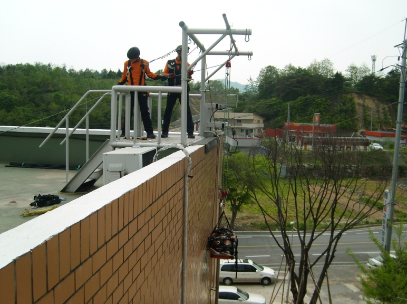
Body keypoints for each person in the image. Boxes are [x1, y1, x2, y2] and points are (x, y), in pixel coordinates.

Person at [117, 47, 166, 139]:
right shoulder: (127, 64)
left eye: (133, 58)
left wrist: (160, 77)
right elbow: (124, 77)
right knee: (128, 112)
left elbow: (150, 74)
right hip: (130, 90)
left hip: (141, 90)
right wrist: (118, 86)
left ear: (137, 56)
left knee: (145, 112)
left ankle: (150, 132)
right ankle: (124, 132)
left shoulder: (144, 63)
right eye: (130, 58)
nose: (131, 60)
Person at [161, 45, 195, 139]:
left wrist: (189, 75)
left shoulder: (187, 64)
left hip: (183, 90)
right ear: (179, 52)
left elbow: (189, 78)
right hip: (172, 89)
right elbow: (164, 74)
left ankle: (190, 132)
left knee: (187, 110)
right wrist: (169, 75)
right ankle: (164, 131)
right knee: (168, 110)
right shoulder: (170, 63)